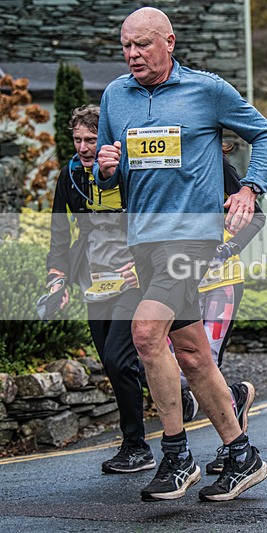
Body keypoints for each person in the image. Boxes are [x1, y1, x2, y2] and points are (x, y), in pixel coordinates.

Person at [94, 7, 267, 502]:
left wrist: (250, 189)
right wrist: (104, 168)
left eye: (143, 44)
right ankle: (242, 455)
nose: (132, 54)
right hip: (145, 238)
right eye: (126, 45)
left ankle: (176, 456)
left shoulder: (207, 90)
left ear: (168, 42)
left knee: (146, 333)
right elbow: (105, 172)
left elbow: (265, 135)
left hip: (193, 236)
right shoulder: (115, 95)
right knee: (194, 354)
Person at [46, 105, 153, 474]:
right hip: (94, 279)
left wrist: (148, 265)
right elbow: (60, 232)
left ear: (105, 140)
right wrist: (56, 278)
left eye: (91, 139)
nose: (83, 147)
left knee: (117, 358)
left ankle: (136, 446)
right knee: (119, 363)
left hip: (132, 277)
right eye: (77, 140)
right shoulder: (70, 174)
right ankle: (186, 392)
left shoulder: (128, 172)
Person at [181, 147, 266, 475]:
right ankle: (235, 397)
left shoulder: (218, 165)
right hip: (179, 282)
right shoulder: (163, 166)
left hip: (221, 283)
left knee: (206, 362)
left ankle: (233, 448)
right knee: (178, 369)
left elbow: (257, 217)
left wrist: (228, 248)